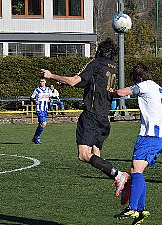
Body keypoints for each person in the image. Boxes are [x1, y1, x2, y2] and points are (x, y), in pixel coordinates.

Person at [41, 38, 129, 199]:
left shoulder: (96, 63)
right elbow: (87, 83)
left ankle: (118, 175)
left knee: (83, 155)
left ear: (100, 51)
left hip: (91, 115)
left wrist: (51, 75)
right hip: (104, 117)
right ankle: (124, 188)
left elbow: (75, 81)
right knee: (96, 153)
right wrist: (66, 82)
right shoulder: (113, 67)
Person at [113, 63, 162, 225]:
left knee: (135, 171)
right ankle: (141, 209)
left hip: (149, 136)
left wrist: (107, 89)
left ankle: (133, 208)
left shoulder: (144, 86)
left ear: (138, 78)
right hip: (159, 138)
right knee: (136, 171)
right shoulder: (158, 88)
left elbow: (120, 93)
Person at [30, 78, 51, 144]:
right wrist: (35, 101)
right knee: (44, 123)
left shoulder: (48, 89)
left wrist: (50, 99)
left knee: (40, 124)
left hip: (45, 109)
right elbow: (31, 97)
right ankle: (37, 137)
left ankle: (35, 138)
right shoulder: (37, 90)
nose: (41, 82)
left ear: (45, 82)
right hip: (39, 109)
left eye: (43, 81)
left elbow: (49, 97)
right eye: (40, 81)